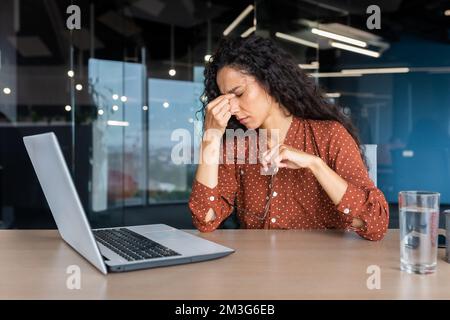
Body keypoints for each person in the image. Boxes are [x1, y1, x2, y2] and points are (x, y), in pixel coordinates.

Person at [188, 35, 389, 241]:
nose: (233, 108)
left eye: (238, 94)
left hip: (324, 268)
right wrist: (210, 138)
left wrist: (316, 165)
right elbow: (206, 219)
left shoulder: (329, 135)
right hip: (257, 270)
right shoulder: (239, 146)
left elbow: (375, 223)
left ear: (268, 81)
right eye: (226, 100)